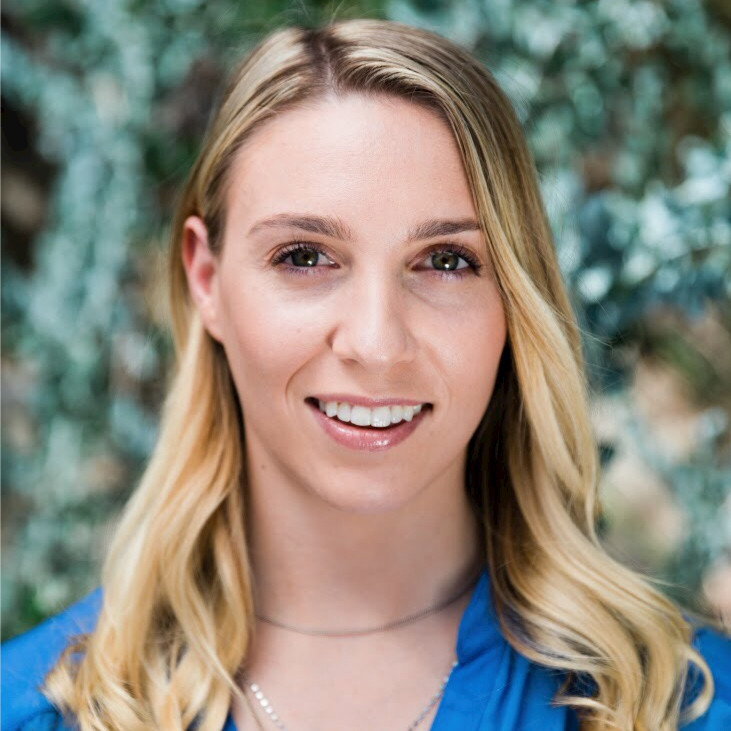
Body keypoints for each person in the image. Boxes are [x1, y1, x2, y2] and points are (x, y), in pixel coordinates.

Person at [2, 17, 729, 731]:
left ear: (513, 298)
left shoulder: (680, 704)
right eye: (304, 256)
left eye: (445, 261)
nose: (377, 343)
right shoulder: (37, 708)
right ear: (206, 279)